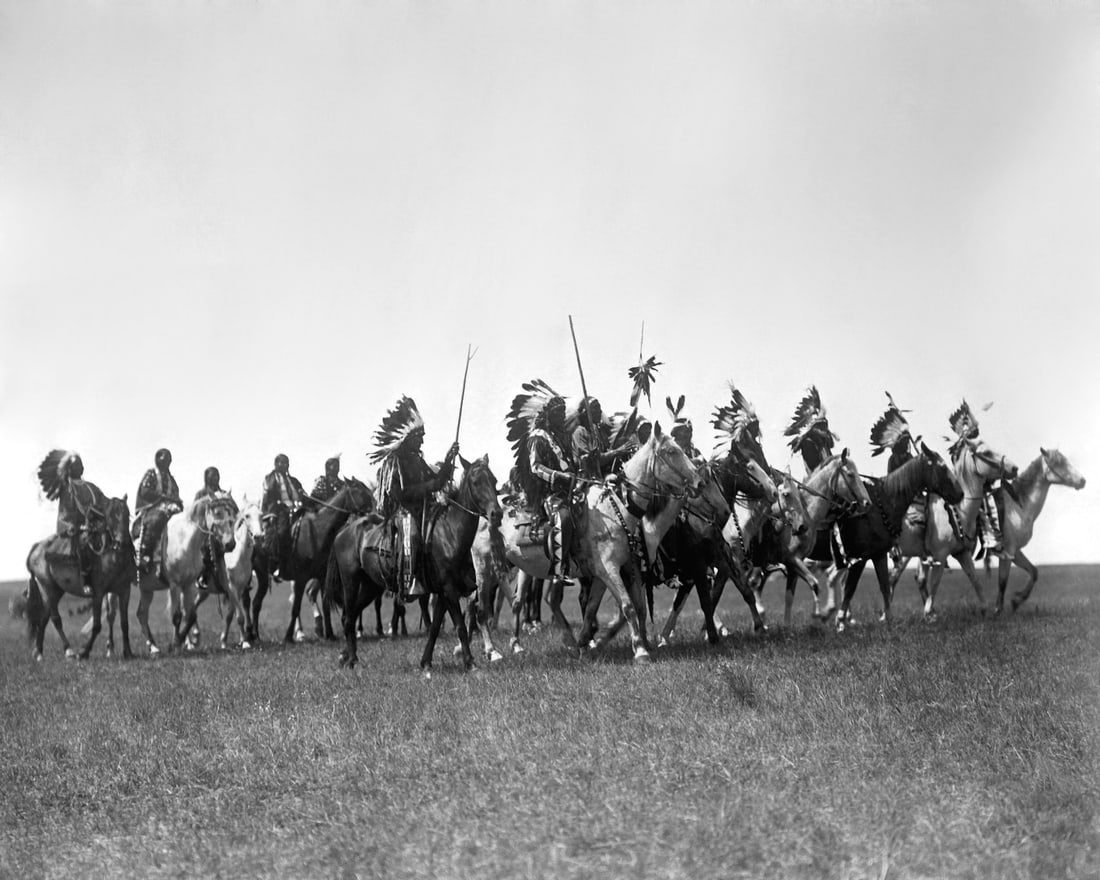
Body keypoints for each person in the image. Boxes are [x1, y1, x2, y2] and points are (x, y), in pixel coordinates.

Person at [371, 397, 459, 600]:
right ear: (407, 439)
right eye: (419, 437)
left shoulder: (418, 460)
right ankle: (409, 583)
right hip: (405, 512)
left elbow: (436, 483)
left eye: (422, 436)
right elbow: (398, 494)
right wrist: (427, 487)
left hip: (427, 508)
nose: (422, 440)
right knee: (412, 537)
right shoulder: (394, 462)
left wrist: (448, 460)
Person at [525, 394, 579, 582]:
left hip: (571, 489)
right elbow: (536, 467)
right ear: (548, 415)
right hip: (549, 493)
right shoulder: (537, 438)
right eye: (558, 413)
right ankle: (559, 569)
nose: (562, 416)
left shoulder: (562, 436)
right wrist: (559, 476)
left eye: (563, 412)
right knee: (563, 518)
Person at [36, 449, 107, 590]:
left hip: (94, 526)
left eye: (81, 465)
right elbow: (64, 513)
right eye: (76, 466)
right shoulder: (67, 490)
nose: (80, 468)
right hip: (78, 529)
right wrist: (72, 526)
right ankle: (86, 578)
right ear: (70, 469)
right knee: (84, 543)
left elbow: (102, 503)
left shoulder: (91, 488)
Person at [949, 400, 1002, 556]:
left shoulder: (969, 448)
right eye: (974, 430)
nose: (977, 432)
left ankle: (985, 541)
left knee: (985, 505)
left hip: (970, 486)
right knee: (985, 508)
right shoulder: (962, 449)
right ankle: (989, 539)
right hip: (963, 488)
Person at [135, 448, 183, 574]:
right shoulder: (151, 474)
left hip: (170, 508)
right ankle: (145, 554)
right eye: (165, 459)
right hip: (152, 508)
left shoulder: (171, 479)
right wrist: (161, 496)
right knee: (158, 518)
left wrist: (177, 501)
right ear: (158, 460)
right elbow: (144, 491)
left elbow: (176, 494)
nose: (168, 462)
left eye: (169, 460)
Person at [194, 466, 230, 591]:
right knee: (207, 549)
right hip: (206, 531)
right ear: (207, 478)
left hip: (223, 529)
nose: (215, 478)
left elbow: (231, 510)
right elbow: (196, 514)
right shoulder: (201, 494)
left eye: (216, 475)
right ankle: (204, 576)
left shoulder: (224, 494)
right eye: (212, 476)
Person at [262, 454, 306, 519]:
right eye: (282, 463)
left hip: (297, 508)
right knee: (283, 524)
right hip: (278, 511)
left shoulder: (294, 481)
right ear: (276, 464)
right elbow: (269, 495)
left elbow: (302, 493)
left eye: (287, 463)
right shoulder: (270, 478)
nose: (285, 465)